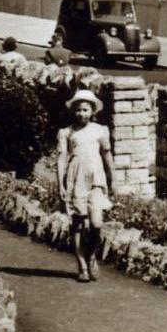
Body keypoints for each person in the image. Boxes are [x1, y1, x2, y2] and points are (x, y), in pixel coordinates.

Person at [57, 89, 114, 283]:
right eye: (78, 110)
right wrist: (61, 185)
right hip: (76, 181)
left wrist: (112, 179)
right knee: (78, 224)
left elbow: (107, 156)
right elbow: (62, 159)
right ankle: (81, 265)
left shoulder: (100, 130)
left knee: (97, 224)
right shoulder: (66, 133)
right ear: (73, 111)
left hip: (96, 180)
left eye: (85, 110)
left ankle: (90, 255)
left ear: (92, 112)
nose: (82, 114)